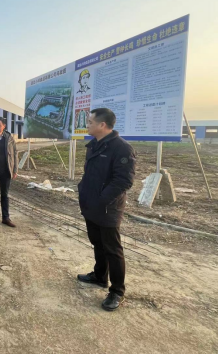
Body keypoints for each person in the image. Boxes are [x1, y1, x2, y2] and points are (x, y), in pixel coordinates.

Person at [77, 108, 136, 312]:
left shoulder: (122, 148)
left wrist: (102, 200)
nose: (87, 125)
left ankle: (117, 291)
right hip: (91, 204)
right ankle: (100, 276)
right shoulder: (94, 144)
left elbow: (124, 181)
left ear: (102, 125)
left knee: (112, 249)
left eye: (90, 122)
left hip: (108, 208)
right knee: (97, 242)